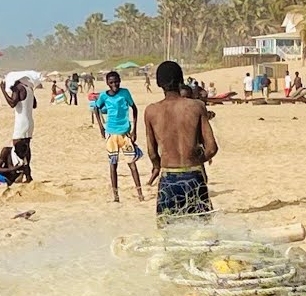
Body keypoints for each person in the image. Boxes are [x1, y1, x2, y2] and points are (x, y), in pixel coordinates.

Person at [144, 61, 217, 225]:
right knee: (203, 230)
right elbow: (212, 148)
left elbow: (152, 152)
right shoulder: (196, 106)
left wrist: (157, 166)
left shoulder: (151, 111)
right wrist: (196, 160)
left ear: (158, 83)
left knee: (167, 230)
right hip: (194, 175)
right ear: (181, 80)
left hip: (168, 178)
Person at [92, 71, 143, 202]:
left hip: (125, 133)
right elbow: (96, 108)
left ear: (120, 80)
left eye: (116, 81)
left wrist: (135, 130)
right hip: (111, 133)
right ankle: (116, 195)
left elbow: (135, 109)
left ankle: (140, 193)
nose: (114, 84)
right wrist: (101, 127)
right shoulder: (103, 96)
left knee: (132, 164)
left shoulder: (125, 93)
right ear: (107, 83)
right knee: (113, 165)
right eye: (111, 82)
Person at [0, 76, 36, 180]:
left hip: (21, 122)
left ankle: (17, 173)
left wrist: (3, 90)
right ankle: (28, 175)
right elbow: (34, 105)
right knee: (26, 148)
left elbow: (12, 103)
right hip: (29, 121)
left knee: (18, 148)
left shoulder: (18, 88)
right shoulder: (29, 89)